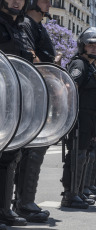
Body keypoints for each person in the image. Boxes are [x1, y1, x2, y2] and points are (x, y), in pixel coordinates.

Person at [12, 0, 60, 223]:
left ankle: (25, 200)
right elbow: (31, 58)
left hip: (40, 95)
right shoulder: (25, 25)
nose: (49, 4)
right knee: (29, 151)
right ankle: (23, 203)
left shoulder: (38, 26)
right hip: (29, 95)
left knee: (36, 149)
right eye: (45, 1)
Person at [60, 28, 96, 209]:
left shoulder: (91, 66)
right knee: (77, 156)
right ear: (82, 46)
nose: (94, 48)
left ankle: (77, 192)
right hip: (80, 117)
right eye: (90, 45)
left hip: (90, 118)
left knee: (83, 155)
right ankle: (70, 195)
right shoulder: (79, 64)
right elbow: (71, 88)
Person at [0, 0, 34, 226]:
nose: (16, 1)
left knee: (11, 155)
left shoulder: (21, 27)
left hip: (15, 98)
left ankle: (4, 209)